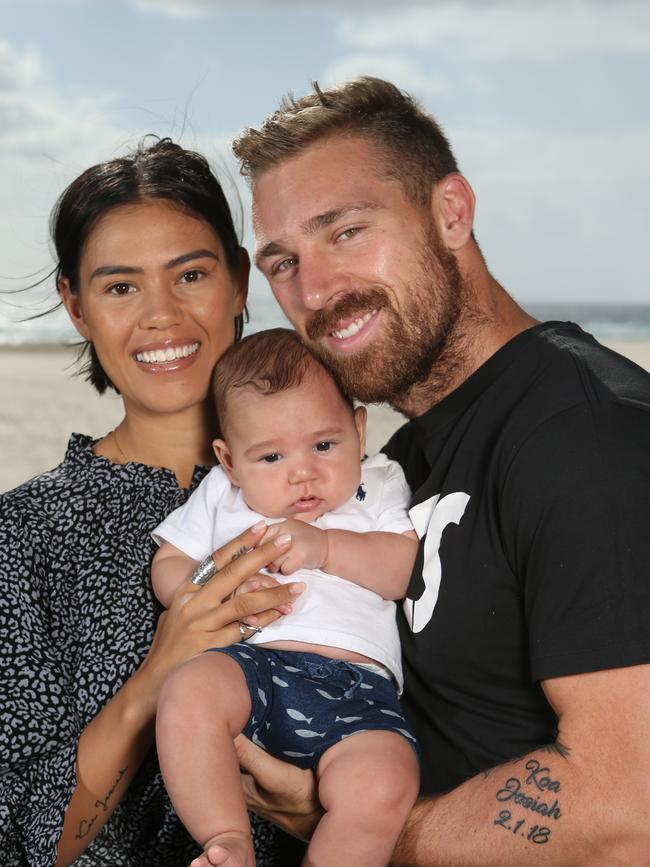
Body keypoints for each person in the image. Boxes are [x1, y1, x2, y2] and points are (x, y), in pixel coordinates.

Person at [229, 78, 650, 864]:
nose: (313, 291)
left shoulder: (590, 438)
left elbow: (631, 803)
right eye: (283, 262)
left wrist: (360, 823)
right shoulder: (398, 460)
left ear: (451, 212)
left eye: (346, 231)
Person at [0, 138, 306, 867]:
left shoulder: (332, 490)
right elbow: (20, 840)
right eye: (120, 287)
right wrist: (157, 675)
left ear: (237, 280)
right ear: (76, 307)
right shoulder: (21, 535)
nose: (161, 317)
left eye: (191, 274)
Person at [151, 327, 420, 867]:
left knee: (384, 782)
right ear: (229, 461)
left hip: (359, 696)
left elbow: (401, 571)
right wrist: (217, 585)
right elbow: (168, 564)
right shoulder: (223, 494)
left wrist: (324, 547)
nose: (303, 472)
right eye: (270, 457)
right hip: (255, 668)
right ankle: (227, 840)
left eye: (325, 445)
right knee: (188, 693)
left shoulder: (379, 483)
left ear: (359, 430)